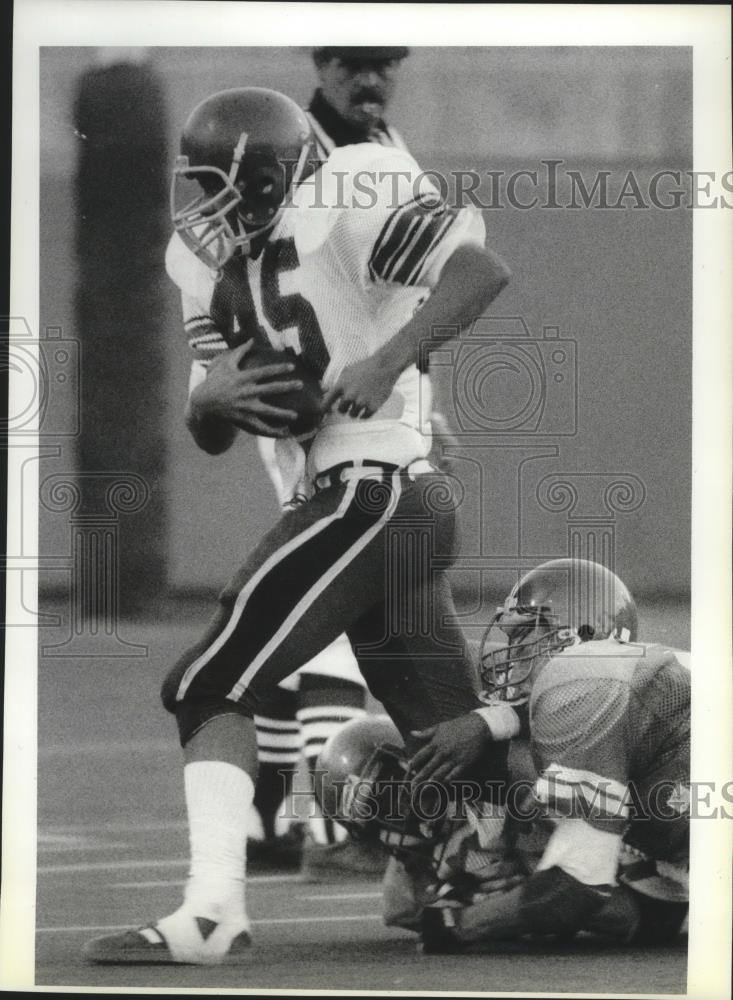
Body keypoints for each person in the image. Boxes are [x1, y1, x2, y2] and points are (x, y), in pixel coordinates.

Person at [82, 85, 512, 965]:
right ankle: (545, 866)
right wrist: (208, 399)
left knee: (210, 681)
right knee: (448, 733)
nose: (206, 205)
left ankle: (210, 914)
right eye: (198, 184)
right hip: (370, 502)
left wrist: (386, 358)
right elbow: (213, 424)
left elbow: (479, 272)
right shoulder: (201, 258)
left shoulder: (350, 190)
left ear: (279, 174)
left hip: (374, 488)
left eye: (222, 184)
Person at [317, 560, 690, 950]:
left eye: (526, 636)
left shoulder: (583, 692)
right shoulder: (612, 686)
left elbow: (580, 889)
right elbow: (400, 906)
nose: (512, 653)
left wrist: (465, 920)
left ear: (581, 633)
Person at [248, 45, 415, 874]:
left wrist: (428, 406)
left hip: (369, 397)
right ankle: (329, 827)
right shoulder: (295, 145)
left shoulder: (386, 145)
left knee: (307, 581)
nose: (370, 77)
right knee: (339, 588)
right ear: (321, 62)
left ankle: (268, 815)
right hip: (312, 395)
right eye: (353, 62)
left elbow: (397, 291)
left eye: (385, 61)